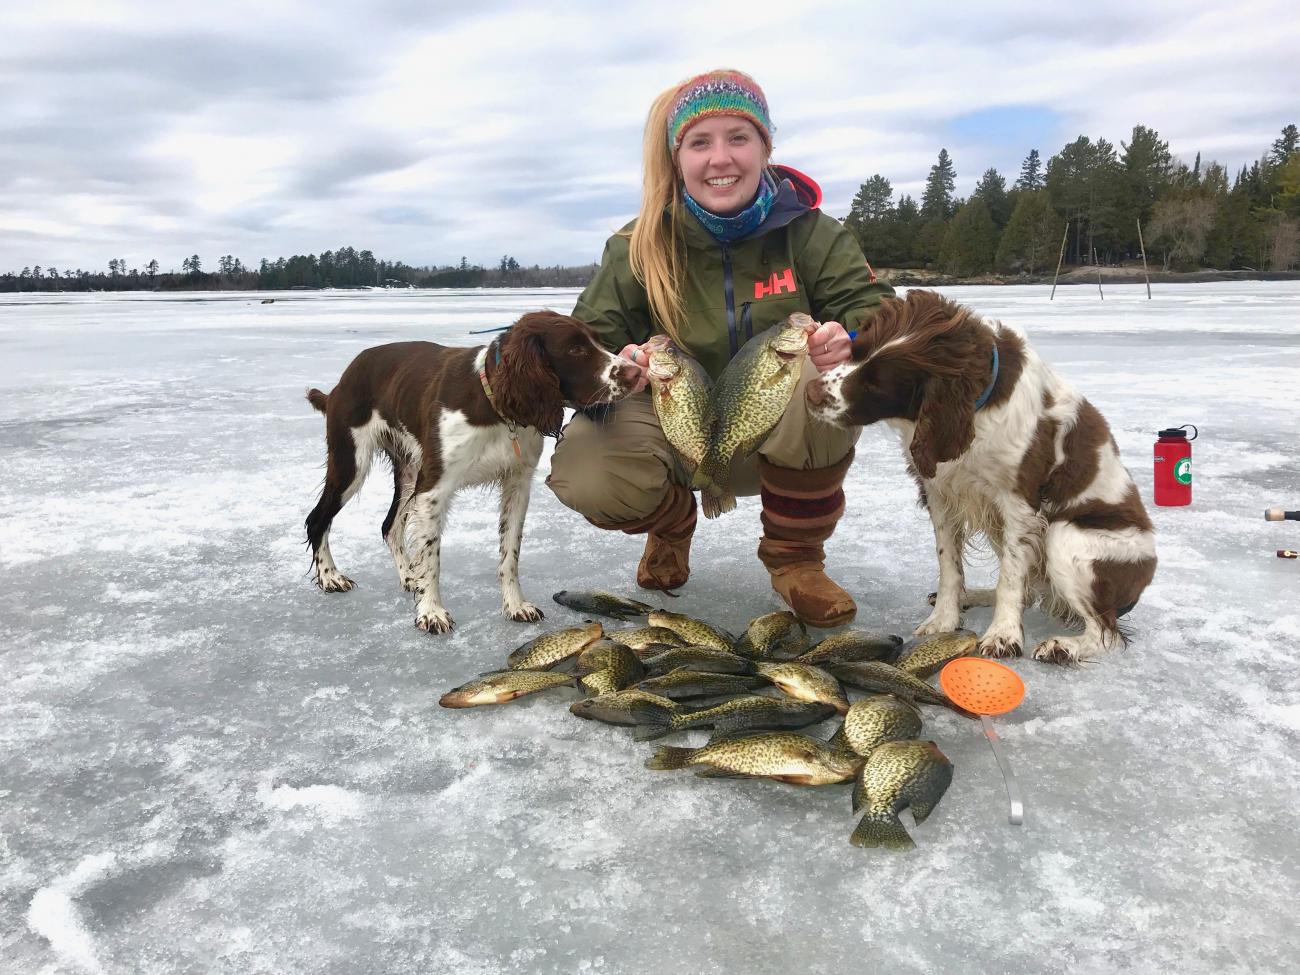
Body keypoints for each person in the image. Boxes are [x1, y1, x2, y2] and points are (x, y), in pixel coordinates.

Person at [547, 69, 894, 627]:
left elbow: (878, 310)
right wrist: (623, 362)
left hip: (775, 441)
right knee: (586, 470)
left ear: (765, 147)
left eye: (739, 137)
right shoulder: (637, 246)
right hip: (678, 435)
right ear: (677, 156)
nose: (721, 158)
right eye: (700, 142)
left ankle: (795, 560)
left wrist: (849, 340)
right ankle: (673, 522)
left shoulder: (811, 233)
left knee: (809, 365)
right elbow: (585, 341)